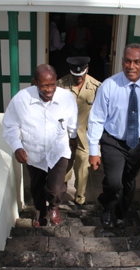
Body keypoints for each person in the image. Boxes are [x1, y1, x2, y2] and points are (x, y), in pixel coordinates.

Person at [87, 43, 140, 228]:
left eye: (136, 62)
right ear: (122, 61)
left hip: (138, 142)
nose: (131, 66)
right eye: (127, 61)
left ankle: (121, 212)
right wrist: (93, 150)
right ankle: (107, 207)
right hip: (113, 141)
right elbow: (96, 119)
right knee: (114, 182)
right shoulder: (109, 86)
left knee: (129, 182)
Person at [2, 64, 78, 228]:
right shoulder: (21, 100)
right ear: (35, 82)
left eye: (53, 85)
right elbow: (10, 125)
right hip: (33, 152)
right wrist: (17, 146)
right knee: (36, 186)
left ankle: (54, 207)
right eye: (44, 85)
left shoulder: (66, 97)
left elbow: (72, 121)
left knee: (56, 188)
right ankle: (40, 211)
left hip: (58, 150)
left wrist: (73, 137)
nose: (50, 90)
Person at [57, 56, 101, 205]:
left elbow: (101, 114)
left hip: (85, 136)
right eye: (75, 76)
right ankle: (58, 198)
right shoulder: (60, 86)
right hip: (65, 136)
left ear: (86, 70)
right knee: (63, 167)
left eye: (81, 75)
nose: (78, 79)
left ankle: (80, 200)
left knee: (82, 169)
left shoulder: (96, 87)